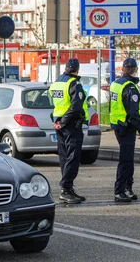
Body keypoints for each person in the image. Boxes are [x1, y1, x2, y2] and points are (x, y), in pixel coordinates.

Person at [48, 58, 88, 204]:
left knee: (64, 157)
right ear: (77, 70)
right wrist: (64, 122)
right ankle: (66, 189)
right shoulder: (74, 83)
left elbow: (56, 104)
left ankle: (69, 189)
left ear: (65, 68)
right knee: (72, 157)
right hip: (71, 125)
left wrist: (59, 122)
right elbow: (76, 106)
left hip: (59, 124)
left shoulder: (56, 83)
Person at [110, 57, 140, 203]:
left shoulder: (116, 84)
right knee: (126, 160)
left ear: (123, 69)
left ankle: (127, 188)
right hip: (126, 127)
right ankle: (120, 190)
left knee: (128, 160)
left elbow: (113, 106)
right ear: (136, 69)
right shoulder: (130, 87)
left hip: (118, 125)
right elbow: (133, 112)